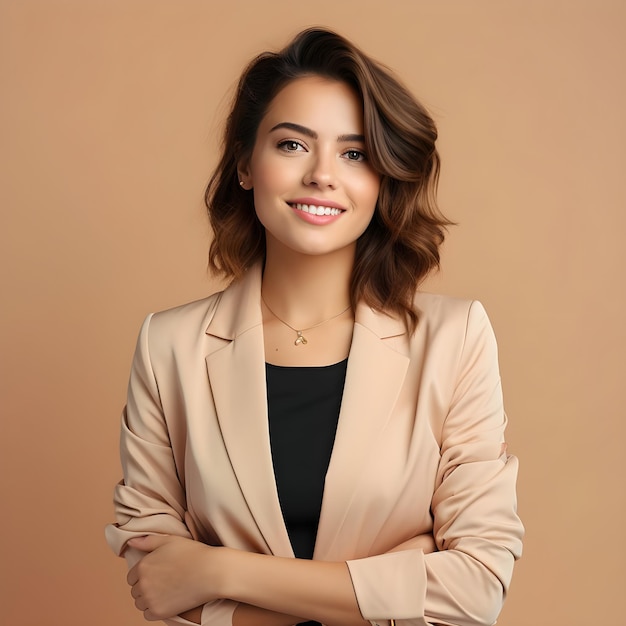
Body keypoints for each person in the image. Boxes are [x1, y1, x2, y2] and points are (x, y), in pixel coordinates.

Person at [106, 27, 523, 626]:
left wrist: (222, 571)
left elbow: (477, 588)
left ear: (382, 181)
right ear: (246, 164)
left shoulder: (455, 339)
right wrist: (398, 582)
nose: (323, 175)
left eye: (354, 154)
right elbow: (159, 583)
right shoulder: (167, 347)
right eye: (293, 145)